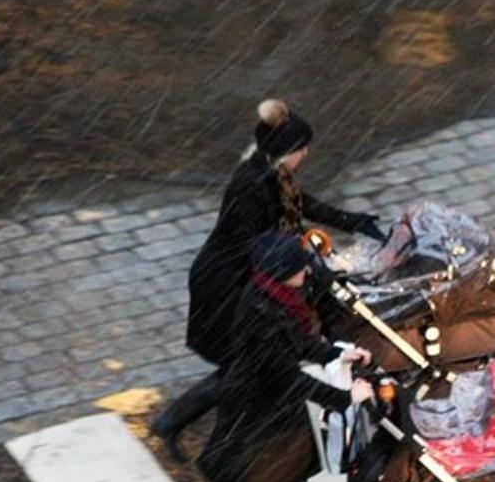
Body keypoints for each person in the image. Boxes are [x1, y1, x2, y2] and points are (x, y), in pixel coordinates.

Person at [149, 98, 384, 462]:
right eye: (301, 148)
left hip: (243, 278)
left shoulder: (272, 174)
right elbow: (253, 243)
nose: (305, 154)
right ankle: (192, 433)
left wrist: (351, 221)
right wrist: (296, 260)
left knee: (246, 366)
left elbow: (300, 205)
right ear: (284, 151)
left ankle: (178, 424)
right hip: (226, 286)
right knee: (244, 366)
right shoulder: (251, 185)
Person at [146, 232, 374, 482]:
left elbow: (299, 343)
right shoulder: (263, 314)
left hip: (274, 414)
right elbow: (289, 378)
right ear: (284, 271)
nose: (306, 269)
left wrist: (335, 355)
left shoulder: (277, 297)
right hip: (258, 421)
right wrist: (345, 397)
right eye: (299, 265)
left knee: (294, 479)